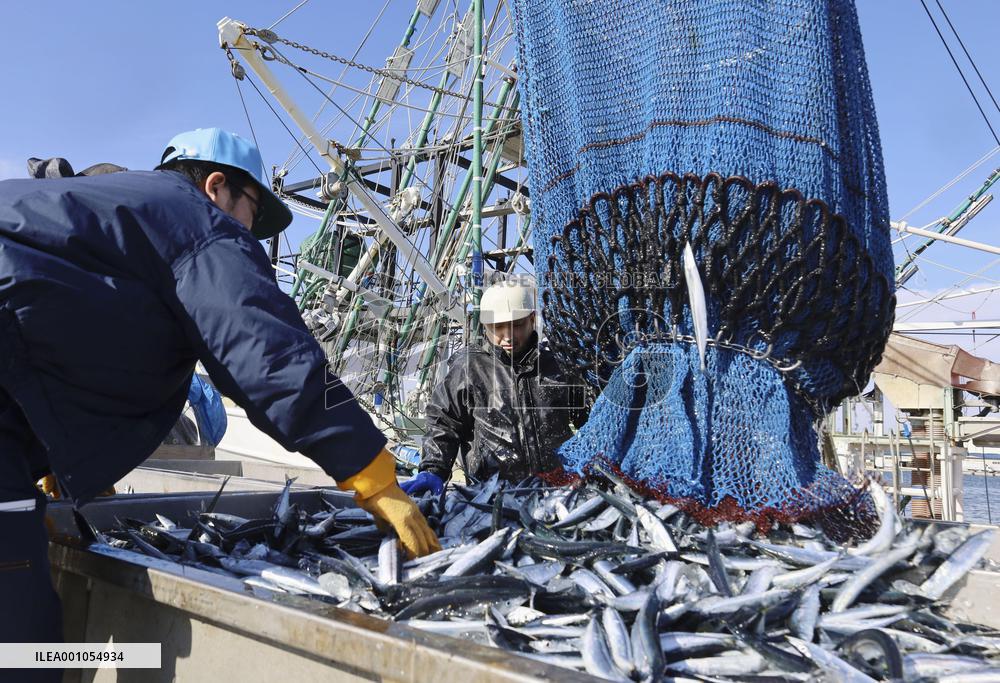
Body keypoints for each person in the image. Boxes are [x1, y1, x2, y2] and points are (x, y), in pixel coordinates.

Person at [0, 128, 440, 662]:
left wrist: (47, 452)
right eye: (254, 214)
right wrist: (371, 473)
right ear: (216, 186)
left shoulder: (111, 214)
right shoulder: (196, 221)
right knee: (21, 647)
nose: (251, 240)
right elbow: (269, 355)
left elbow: (50, 327)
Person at [402, 280, 589, 496]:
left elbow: (587, 421)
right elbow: (444, 423)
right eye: (497, 326)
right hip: (490, 494)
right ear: (485, 325)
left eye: (516, 325)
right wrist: (433, 469)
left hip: (559, 492)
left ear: (532, 319)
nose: (507, 336)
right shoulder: (469, 367)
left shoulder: (558, 365)